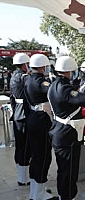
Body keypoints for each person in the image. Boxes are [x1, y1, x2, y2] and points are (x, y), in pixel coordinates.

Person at [48, 56, 85, 200]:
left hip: (59, 131)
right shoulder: (64, 88)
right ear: (69, 71)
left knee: (63, 169)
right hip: (67, 135)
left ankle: (64, 195)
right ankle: (68, 196)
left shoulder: (55, 84)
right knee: (69, 171)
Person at [24, 54, 57, 200]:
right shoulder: (40, 82)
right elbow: (54, 92)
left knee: (36, 156)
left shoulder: (28, 80)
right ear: (43, 66)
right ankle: (39, 194)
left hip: (32, 119)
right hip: (41, 121)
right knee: (43, 157)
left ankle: (36, 190)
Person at [10, 53, 31, 186]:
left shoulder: (13, 77)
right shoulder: (24, 77)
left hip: (17, 113)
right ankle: (24, 178)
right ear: (25, 64)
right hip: (24, 114)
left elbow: (12, 98)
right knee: (26, 147)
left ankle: (21, 176)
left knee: (19, 146)